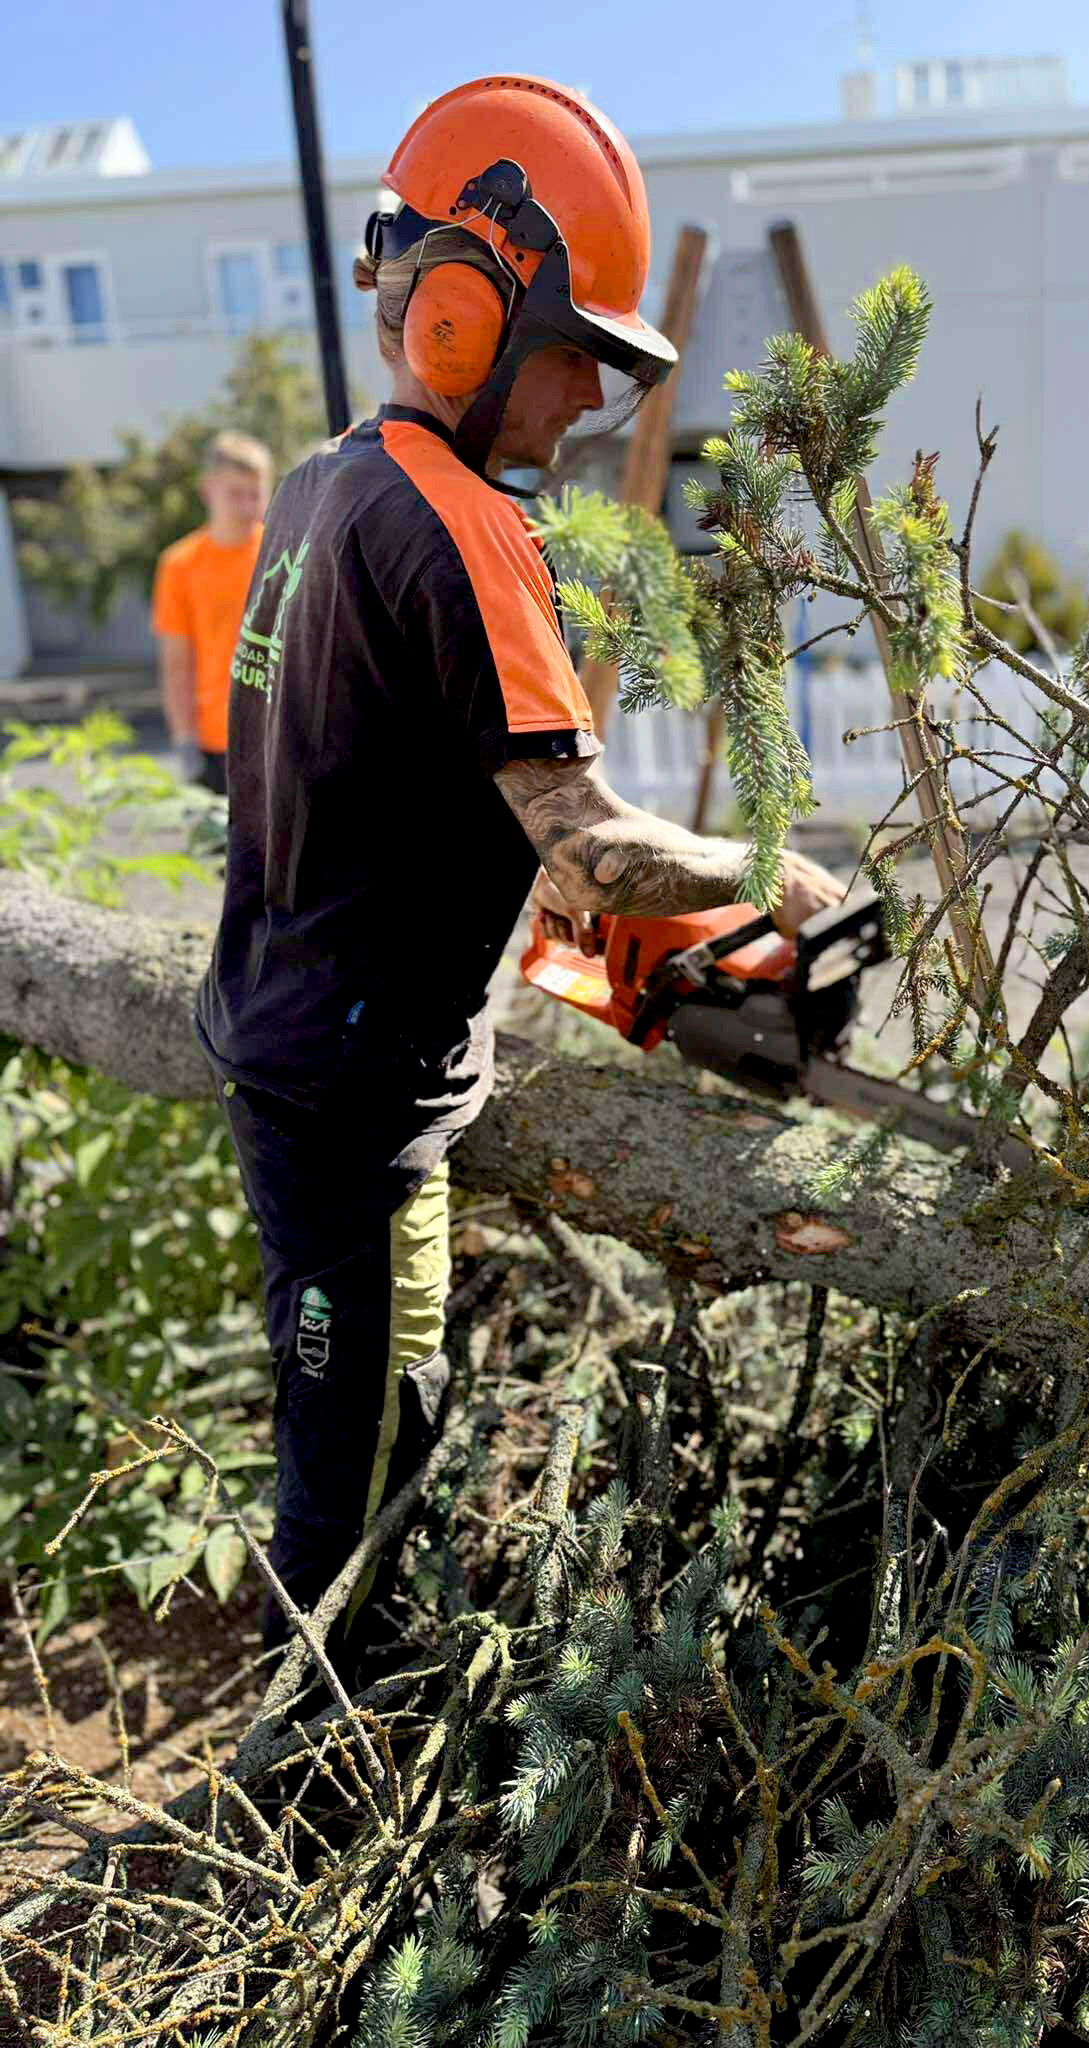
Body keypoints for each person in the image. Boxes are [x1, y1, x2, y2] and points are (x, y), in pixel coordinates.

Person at [196, 75, 842, 1687]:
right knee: (354, 1476)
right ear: (468, 319)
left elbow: (383, 768)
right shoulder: (465, 521)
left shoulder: (324, 484)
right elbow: (583, 837)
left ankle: (347, 1701)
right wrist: (775, 878)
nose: (586, 401)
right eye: (573, 356)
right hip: (352, 1095)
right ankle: (314, 1757)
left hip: (289, 1038)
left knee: (366, 1421)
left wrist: (529, 886)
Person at [152, 431, 272, 796]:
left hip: (280, 734)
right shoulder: (180, 565)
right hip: (216, 741)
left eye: (256, 494)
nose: (247, 507)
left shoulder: (282, 553)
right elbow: (176, 663)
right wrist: (184, 740)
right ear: (208, 490)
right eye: (235, 494)